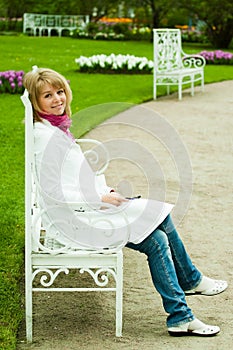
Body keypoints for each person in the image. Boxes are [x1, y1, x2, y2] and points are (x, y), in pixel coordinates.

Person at [23, 67, 228, 337]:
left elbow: (74, 177)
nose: (57, 99)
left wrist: (104, 190)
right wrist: (99, 198)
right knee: (158, 233)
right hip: (73, 222)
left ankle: (182, 312)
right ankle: (187, 294)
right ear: (36, 103)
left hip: (84, 212)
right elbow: (53, 192)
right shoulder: (44, 137)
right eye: (47, 95)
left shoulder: (55, 129)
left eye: (59, 91)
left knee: (157, 234)